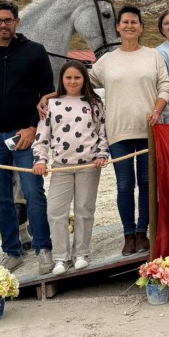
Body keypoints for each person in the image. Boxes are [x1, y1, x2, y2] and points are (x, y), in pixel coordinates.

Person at [0, 0, 55, 275]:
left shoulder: (35, 52)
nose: (3, 25)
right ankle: (12, 250)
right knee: (1, 197)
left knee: (34, 193)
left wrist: (32, 128)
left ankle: (43, 247)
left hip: (25, 135)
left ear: (17, 22)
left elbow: (48, 95)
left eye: (8, 20)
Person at [87, 6, 169, 255]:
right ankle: (128, 234)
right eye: (125, 22)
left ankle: (142, 232)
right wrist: (53, 93)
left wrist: (157, 109)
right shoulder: (107, 61)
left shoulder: (153, 55)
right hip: (118, 132)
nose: (129, 26)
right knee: (124, 184)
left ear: (141, 27)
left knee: (147, 183)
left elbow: (165, 86)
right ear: (118, 27)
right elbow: (84, 82)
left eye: (134, 22)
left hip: (148, 130)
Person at [32, 60, 109, 273]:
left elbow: (103, 133)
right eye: (68, 78)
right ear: (62, 80)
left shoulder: (94, 104)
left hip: (89, 165)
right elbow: (42, 136)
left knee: (84, 209)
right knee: (56, 211)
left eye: (77, 77)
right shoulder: (52, 105)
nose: (73, 81)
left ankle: (81, 253)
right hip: (61, 166)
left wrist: (102, 153)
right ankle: (60, 257)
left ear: (84, 79)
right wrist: (40, 159)